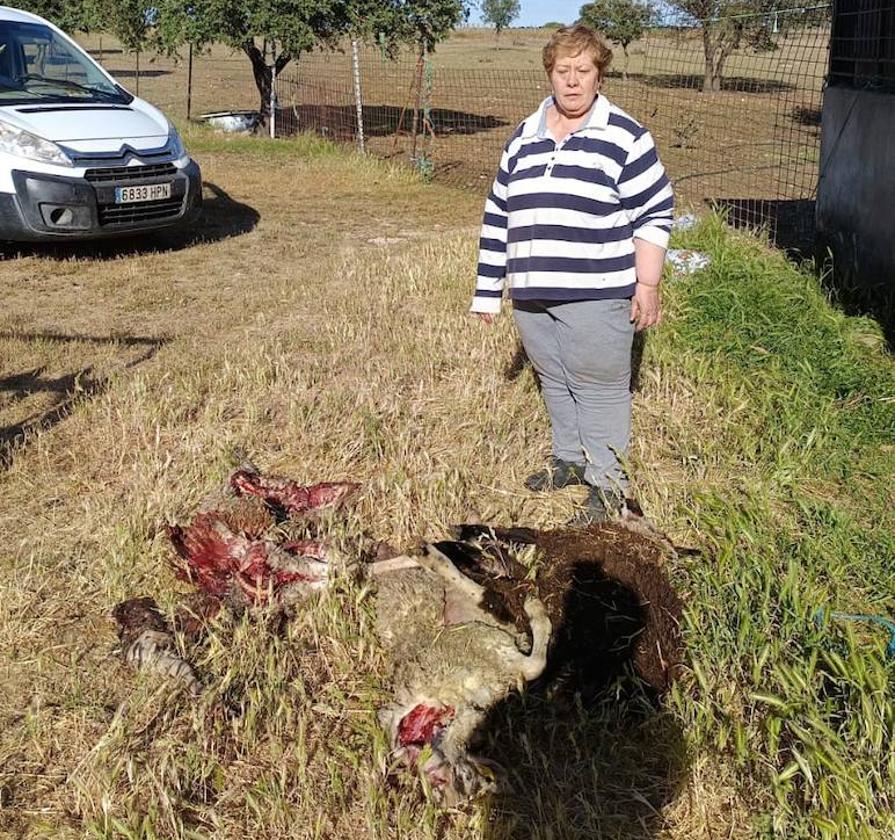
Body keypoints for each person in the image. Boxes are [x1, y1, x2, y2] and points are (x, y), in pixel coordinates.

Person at [470, 24, 673, 525]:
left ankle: (608, 488)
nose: (573, 81)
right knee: (555, 379)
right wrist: (487, 291)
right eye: (564, 71)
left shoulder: (625, 135)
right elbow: (499, 212)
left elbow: (656, 210)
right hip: (532, 291)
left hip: (597, 292)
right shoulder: (524, 135)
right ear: (550, 73)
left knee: (600, 387)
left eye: (584, 71)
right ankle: (568, 460)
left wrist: (647, 283)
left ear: (599, 75)